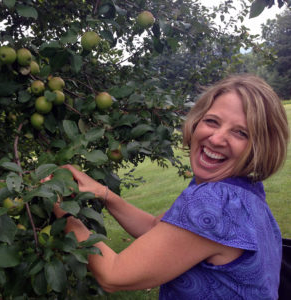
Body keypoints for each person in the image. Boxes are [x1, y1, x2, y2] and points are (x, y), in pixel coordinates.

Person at [53, 74, 290, 299]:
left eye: (240, 133)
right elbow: (156, 230)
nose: (217, 139)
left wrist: (64, 213)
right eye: (211, 121)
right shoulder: (244, 190)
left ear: (261, 146)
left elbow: (113, 275)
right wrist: (104, 194)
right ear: (197, 121)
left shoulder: (216, 202)